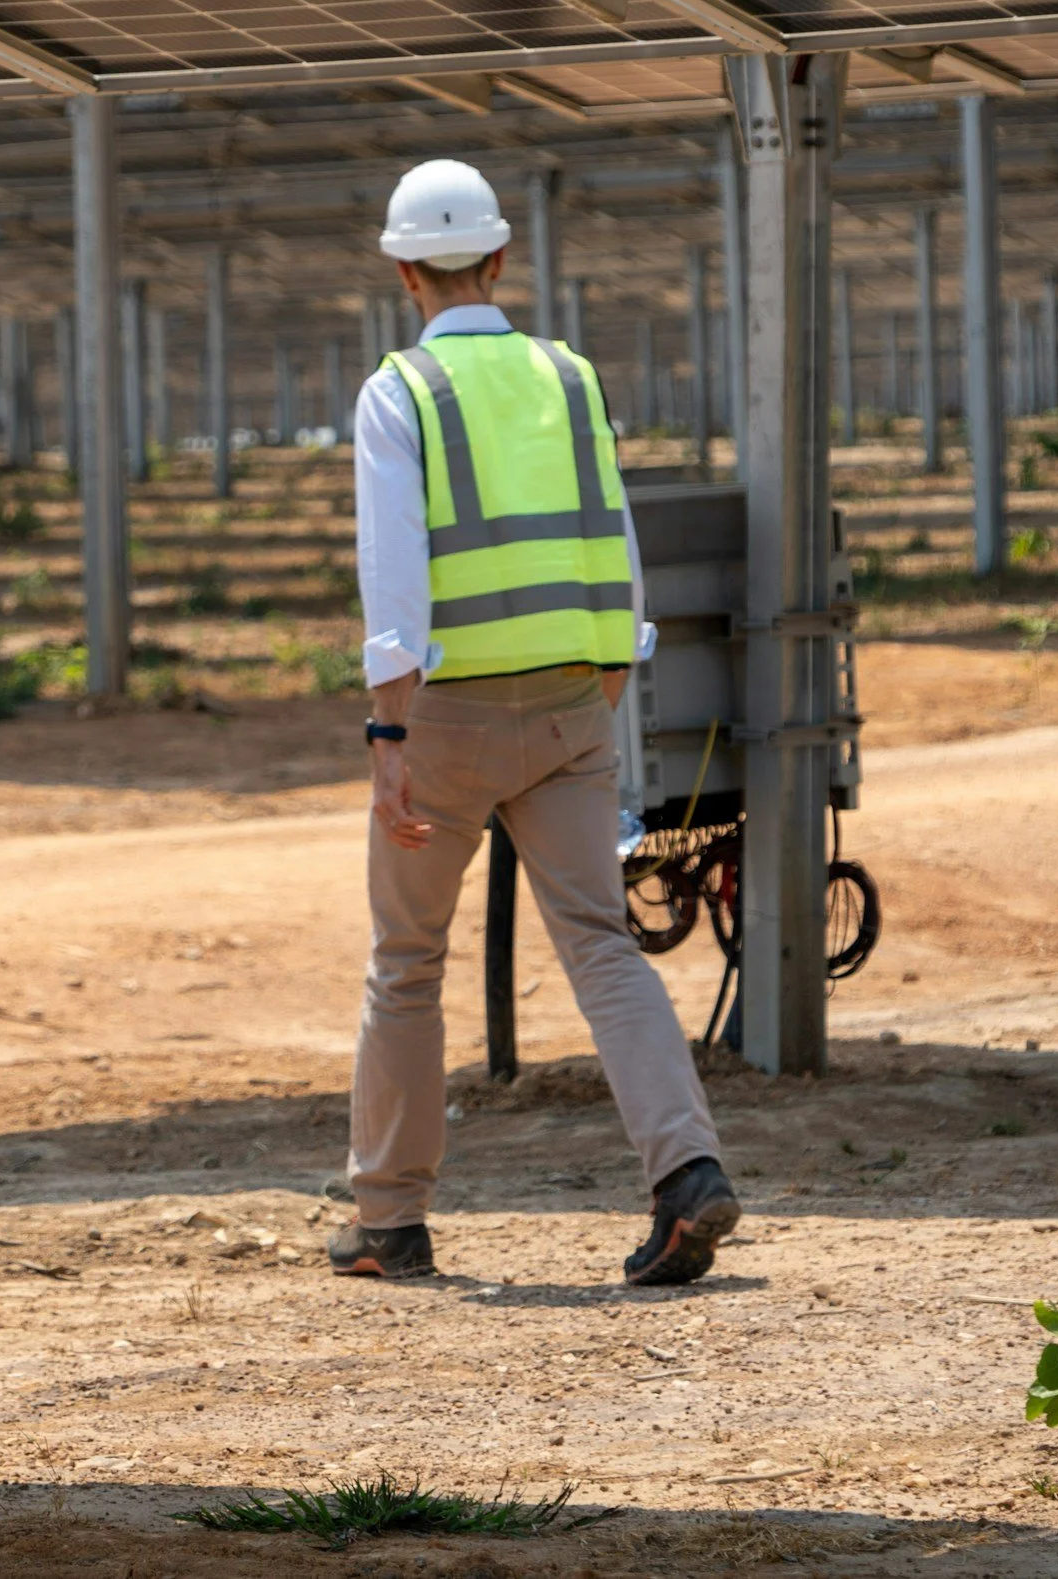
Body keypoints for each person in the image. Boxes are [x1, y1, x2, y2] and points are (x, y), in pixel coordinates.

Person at [326, 159, 739, 1287]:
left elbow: (393, 575)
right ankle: (687, 1172)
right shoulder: (567, 374)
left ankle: (389, 1219)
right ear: (499, 259)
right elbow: (615, 535)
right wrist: (608, 675)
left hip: (446, 715)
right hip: (571, 700)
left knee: (407, 960)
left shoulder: (396, 393)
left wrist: (389, 735)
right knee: (601, 946)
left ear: (404, 270)